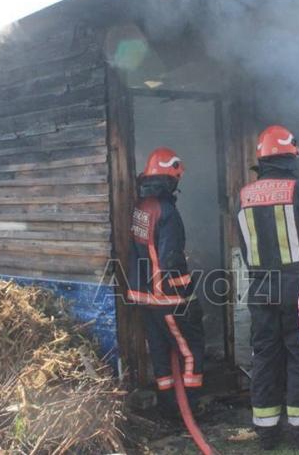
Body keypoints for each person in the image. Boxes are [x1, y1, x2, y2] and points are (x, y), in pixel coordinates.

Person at [236, 125, 299, 450]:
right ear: (292, 157)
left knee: (265, 356)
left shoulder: (245, 196)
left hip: (260, 290)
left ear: (262, 159)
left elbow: (246, 247)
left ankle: (266, 431)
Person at [127, 147, 205, 416]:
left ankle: (168, 409)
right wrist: (189, 298)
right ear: (169, 179)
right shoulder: (168, 213)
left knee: (160, 352)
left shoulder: (140, 207)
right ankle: (191, 409)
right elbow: (170, 261)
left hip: (145, 298)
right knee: (191, 350)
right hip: (168, 298)